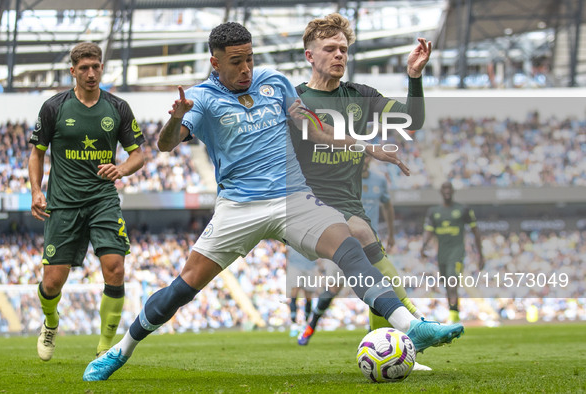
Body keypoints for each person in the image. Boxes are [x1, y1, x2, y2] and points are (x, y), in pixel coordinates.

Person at [83, 22, 463, 381]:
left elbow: (316, 131)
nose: (246, 68)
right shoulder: (200, 98)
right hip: (239, 207)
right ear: (215, 62)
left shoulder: (275, 83)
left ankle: (413, 328)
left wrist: (368, 147)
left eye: (249, 58)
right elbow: (166, 145)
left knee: (350, 246)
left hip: (293, 199)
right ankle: (121, 350)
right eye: (236, 62)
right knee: (184, 287)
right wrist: (175, 119)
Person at [292, 13, 426, 345]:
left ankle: (388, 342)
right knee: (363, 238)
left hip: (349, 204)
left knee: (369, 263)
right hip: (304, 205)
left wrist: (414, 76)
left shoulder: (361, 96)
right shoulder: (293, 99)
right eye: (330, 49)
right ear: (310, 55)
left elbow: (414, 120)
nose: (340, 55)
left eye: (344, 49)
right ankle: (416, 323)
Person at [28, 42, 145, 361]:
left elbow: (139, 156)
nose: (91, 73)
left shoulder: (117, 107)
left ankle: (106, 347)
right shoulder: (54, 107)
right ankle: (50, 323)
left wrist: (120, 169)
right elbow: (37, 152)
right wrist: (36, 191)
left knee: (115, 269)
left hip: (103, 200)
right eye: (84, 68)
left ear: (102, 68)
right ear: (73, 71)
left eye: (96, 66)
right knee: (52, 282)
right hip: (63, 203)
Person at [421, 181, 484, 323]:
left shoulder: (463, 209)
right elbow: (428, 231)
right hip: (442, 254)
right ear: (441, 192)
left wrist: (481, 255)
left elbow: (476, 231)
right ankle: (454, 311)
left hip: (457, 253)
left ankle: (454, 318)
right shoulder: (434, 211)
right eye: (444, 188)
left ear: (453, 191)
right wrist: (423, 246)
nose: (447, 191)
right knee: (446, 283)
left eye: (449, 188)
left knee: (451, 282)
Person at [286, 246, 317, 337]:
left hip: (309, 266)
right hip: (295, 266)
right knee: (294, 294)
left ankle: (305, 324)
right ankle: (294, 325)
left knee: (308, 297)